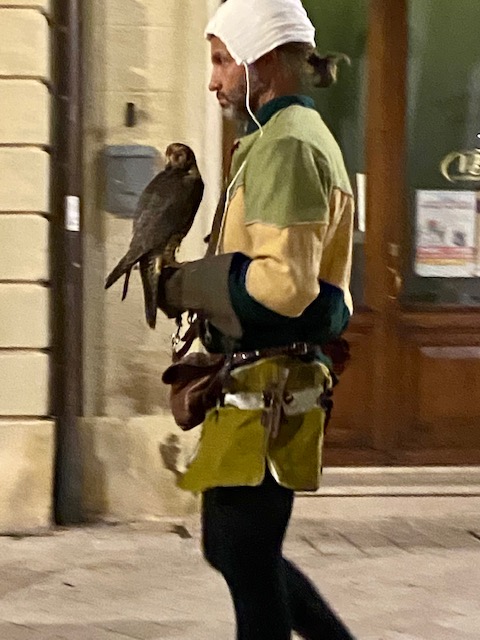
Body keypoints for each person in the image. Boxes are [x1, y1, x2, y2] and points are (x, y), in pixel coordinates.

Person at [157, 1, 356, 638]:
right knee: (237, 550)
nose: (213, 81)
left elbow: (283, 285)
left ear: (263, 60)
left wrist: (188, 283)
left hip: (269, 392)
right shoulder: (277, 138)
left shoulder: (288, 146)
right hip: (260, 386)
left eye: (221, 61)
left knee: (243, 553)